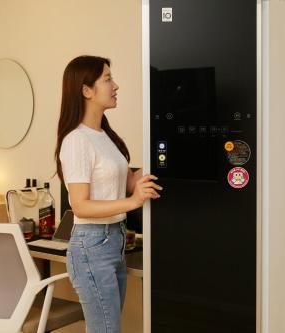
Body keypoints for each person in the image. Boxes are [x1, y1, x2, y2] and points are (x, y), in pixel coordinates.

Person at [54, 55, 163, 333]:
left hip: (113, 240)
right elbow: (80, 206)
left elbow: (128, 181)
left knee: (109, 328)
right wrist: (134, 201)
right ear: (86, 90)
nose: (116, 86)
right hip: (91, 246)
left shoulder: (104, 136)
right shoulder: (77, 140)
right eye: (107, 79)